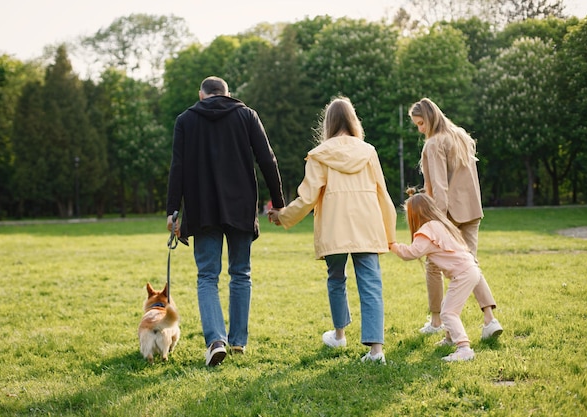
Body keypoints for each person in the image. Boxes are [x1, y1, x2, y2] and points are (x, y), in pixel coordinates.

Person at [166, 76, 285, 366]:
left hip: (202, 207)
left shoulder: (186, 120)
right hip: (240, 206)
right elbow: (268, 159)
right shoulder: (246, 115)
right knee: (240, 273)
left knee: (207, 276)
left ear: (201, 94)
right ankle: (238, 343)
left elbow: (177, 166)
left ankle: (215, 340)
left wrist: (172, 209)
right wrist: (279, 203)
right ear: (228, 94)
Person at [268, 97, 396, 364]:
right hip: (367, 225)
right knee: (371, 285)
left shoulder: (320, 154)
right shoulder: (369, 151)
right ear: (353, 120)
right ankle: (376, 351)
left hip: (335, 227)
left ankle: (339, 335)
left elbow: (307, 198)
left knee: (336, 278)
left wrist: (284, 216)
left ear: (327, 123)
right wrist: (389, 232)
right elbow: (382, 193)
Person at [408, 97, 502, 339]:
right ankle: (489, 319)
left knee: (434, 264)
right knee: (469, 264)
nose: (420, 130)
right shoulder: (461, 136)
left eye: (420, 124)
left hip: (448, 213)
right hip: (472, 210)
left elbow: (439, 186)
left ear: (428, 119)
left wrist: (436, 220)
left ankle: (438, 321)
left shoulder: (434, 143)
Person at [390, 192, 500, 361]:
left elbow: (411, 253)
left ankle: (464, 348)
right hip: (470, 269)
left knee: (448, 313)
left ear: (416, 214)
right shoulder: (441, 224)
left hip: (463, 273)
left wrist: (393, 245)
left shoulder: (427, 231)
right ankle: (449, 338)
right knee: (449, 305)